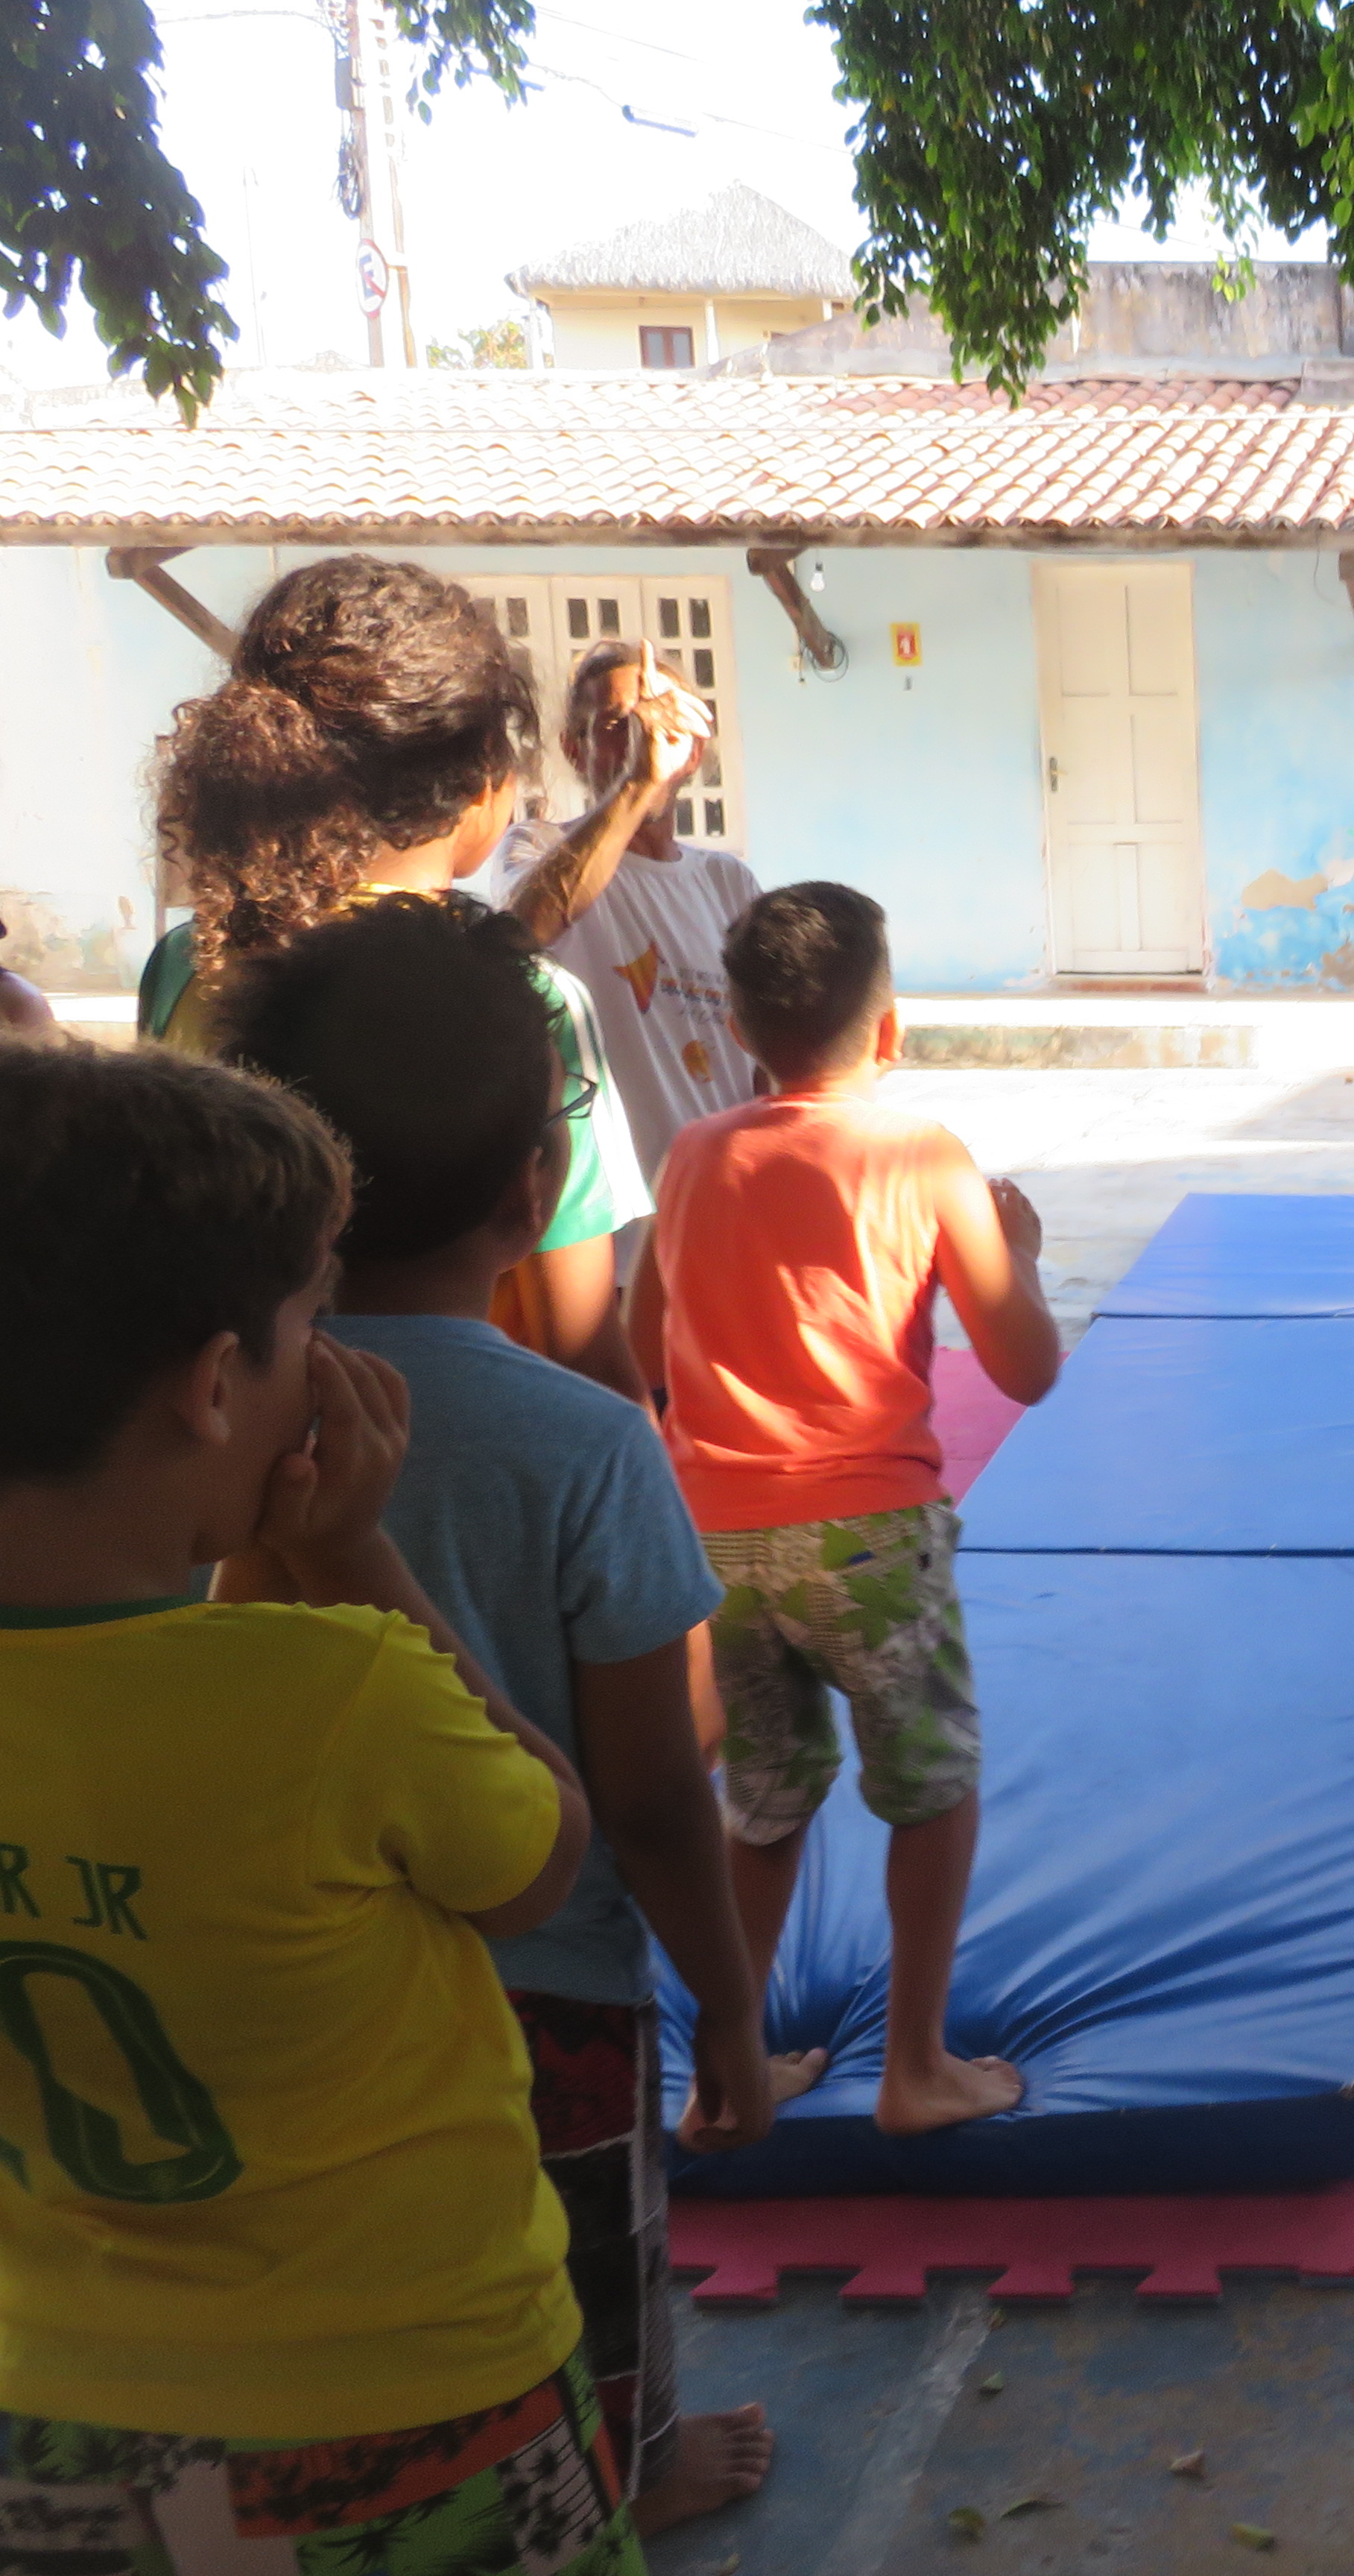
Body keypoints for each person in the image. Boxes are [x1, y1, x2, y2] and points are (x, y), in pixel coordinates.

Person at [0, 1038, 629, 2575]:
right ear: (218, 1385)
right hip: (412, 2404)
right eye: (309, 1324)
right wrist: (356, 1555)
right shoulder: (342, 1691)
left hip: (54, 2408)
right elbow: (542, 1860)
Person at [218, 896, 798, 2537]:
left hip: (305, 1972)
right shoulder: (588, 1444)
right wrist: (730, 2010)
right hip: (556, 1984)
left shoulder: (213, 1416)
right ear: (539, 1189)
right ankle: (633, 2465)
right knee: (585, 2260)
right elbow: (658, 1794)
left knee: (364, 2254)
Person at [633, 882, 1064, 2137]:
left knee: (763, 1797)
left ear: (740, 1031)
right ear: (891, 1029)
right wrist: (1020, 1254)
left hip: (717, 1546)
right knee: (930, 1784)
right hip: (869, 1541)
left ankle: (727, 2078)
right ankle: (914, 2067)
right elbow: (1028, 1368)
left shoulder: (692, 1155)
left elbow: (641, 1349)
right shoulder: (924, 1155)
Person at [141, 554, 703, 1403]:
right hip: (460, 1450)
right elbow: (580, 1344)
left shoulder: (189, 961)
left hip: (227, 1433)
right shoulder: (526, 1004)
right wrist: (635, 1453)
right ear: (481, 782)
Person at [504, 640, 762, 1190]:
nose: (644, 740)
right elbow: (519, 931)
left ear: (693, 750)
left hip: (720, 1204)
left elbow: (766, 1055)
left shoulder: (729, 882)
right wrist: (639, 782)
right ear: (574, 749)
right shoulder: (539, 848)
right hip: (614, 1220)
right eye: (618, 725)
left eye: (663, 721)